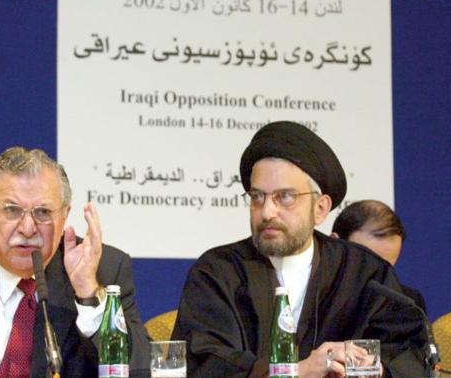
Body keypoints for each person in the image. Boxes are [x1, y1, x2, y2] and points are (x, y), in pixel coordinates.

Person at [172, 121, 428, 378]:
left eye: (285, 197)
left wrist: (370, 368)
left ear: (320, 209)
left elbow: (408, 356)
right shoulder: (218, 271)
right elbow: (205, 361)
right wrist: (297, 372)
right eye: (257, 197)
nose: (267, 212)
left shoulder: (364, 273)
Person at [0, 147, 150, 377]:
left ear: (64, 216)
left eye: (43, 212)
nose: (28, 228)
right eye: (12, 210)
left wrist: (87, 292)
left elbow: (140, 369)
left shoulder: (102, 269)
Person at [331, 200, 426, 311]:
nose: (374, 275)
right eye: (365, 262)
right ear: (334, 244)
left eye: (386, 267)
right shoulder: (314, 295)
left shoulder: (407, 303)